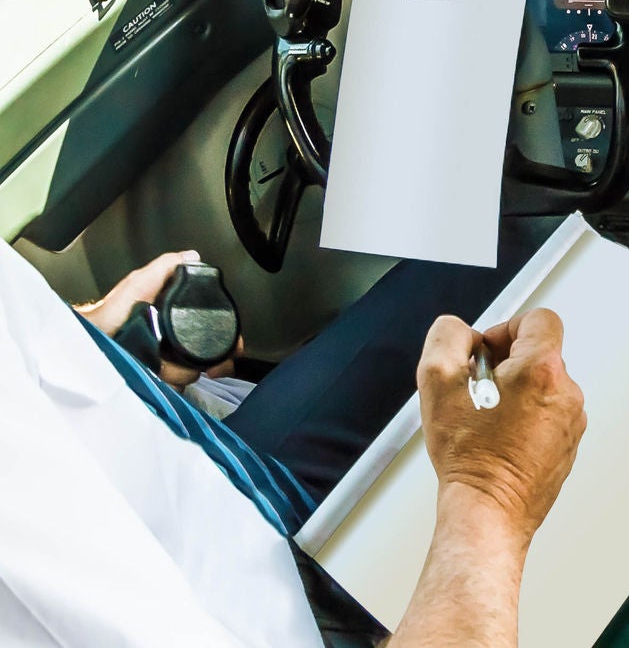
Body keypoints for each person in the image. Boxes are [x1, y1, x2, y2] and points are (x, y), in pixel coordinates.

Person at [0, 236, 585, 646]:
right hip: (287, 604)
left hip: (208, 481)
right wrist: (491, 492)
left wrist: (101, 343)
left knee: (483, 265)